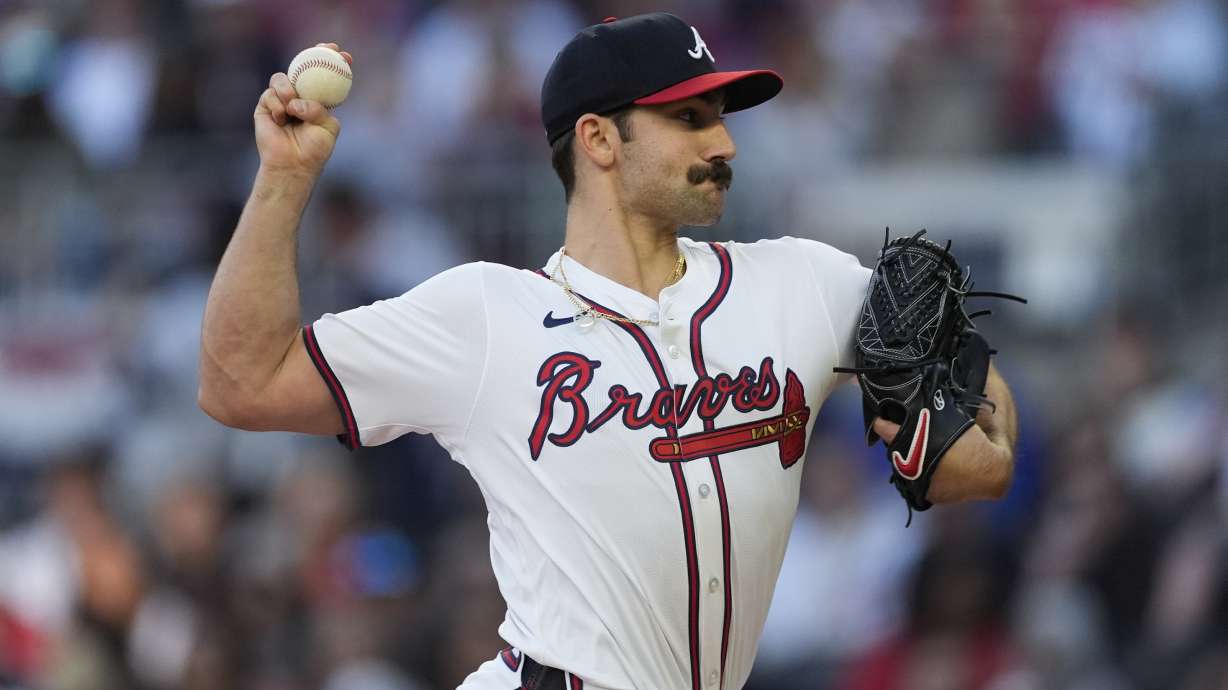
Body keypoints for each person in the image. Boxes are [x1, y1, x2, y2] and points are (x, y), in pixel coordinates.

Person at [198, 13, 1018, 690]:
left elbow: (985, 449)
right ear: (597, 139)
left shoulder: (802, 285)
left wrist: (950, 427)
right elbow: (242, 382)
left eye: (722, 116)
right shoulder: (487, 315)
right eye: (689, 118)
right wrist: (283, 181)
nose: (724, 143)